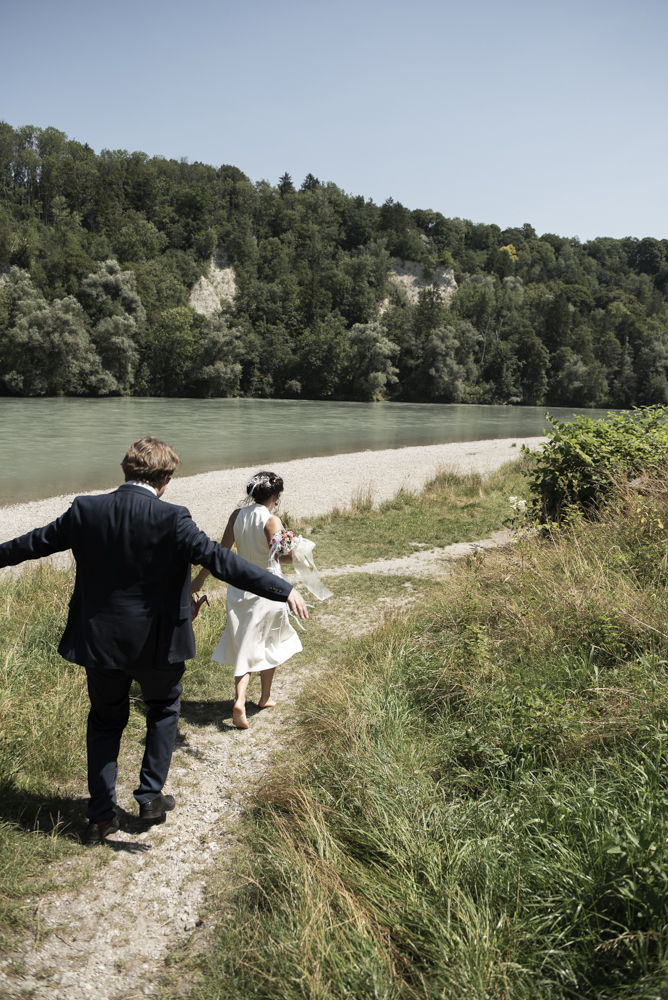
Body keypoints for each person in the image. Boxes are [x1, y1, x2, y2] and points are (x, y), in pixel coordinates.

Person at [0, 438, 308, 845]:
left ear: (127, 471)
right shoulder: (174, 518)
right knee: (163, 710)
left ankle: (99, 817)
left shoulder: (85, 510)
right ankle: (149, 797)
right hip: (159, 643)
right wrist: (280, 588)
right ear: (164, 478)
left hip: (101, 643)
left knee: (105, 722)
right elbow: (222, 562)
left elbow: (30, 545)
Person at [191, 471, 301, 729]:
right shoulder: (272, 520)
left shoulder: (236, 515)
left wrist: (200, 578)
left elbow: (221, 552)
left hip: (239, 586)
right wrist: (298, 552)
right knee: (269, 641)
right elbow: (280, 558)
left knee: (245, 643)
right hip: (269, 587)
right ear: (274, 496)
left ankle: (242, 698)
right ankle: (261, 698)